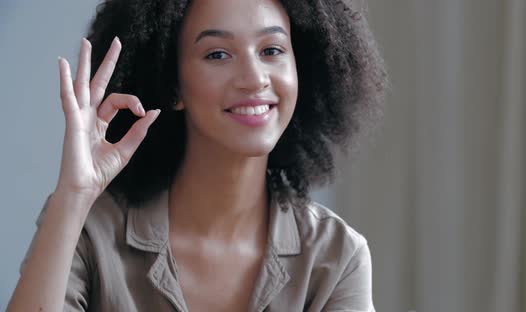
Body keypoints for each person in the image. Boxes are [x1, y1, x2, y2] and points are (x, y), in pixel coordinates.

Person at [8, 0, 387, 310]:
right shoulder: (89, 230)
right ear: (173, 86)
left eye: (271, 50)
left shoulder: (336, 257)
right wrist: (74, 194)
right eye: (218, 54)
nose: (254, 78)